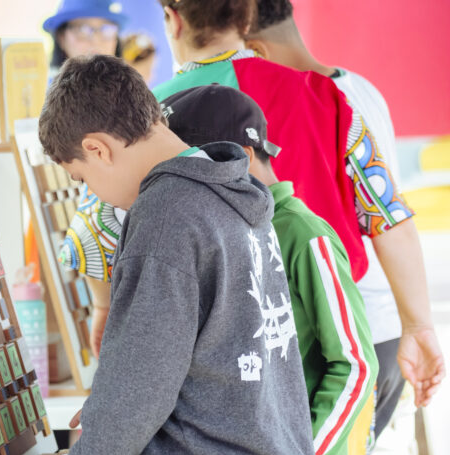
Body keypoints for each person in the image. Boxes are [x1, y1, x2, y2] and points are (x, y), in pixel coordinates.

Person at [61, 0, 444, 412]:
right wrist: (417, 324)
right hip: (339, 338)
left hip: (224, 366)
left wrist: (104, 308)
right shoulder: (325, 96)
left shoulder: (150, 115)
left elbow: (95, 231)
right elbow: (387, 215)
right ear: (247, 17)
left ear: (172, 20)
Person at [40, 54, 317, 455]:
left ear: (97, 149)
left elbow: (141, 382)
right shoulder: (233, 192)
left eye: (83, 179)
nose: (93, 193)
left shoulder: (167, 214)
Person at [164, 84, 378, 455]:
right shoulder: (224, 229)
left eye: (196, 164)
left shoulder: (302, 231)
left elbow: (355, 366)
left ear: (241, 153)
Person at [244, 0, 445, 439]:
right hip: (384, 327)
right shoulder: (360, 89)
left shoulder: (307, 102)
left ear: (253, 51)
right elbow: (390, 216)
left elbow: (385, 219)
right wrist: (417, 322)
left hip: (346, 338)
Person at [43, 0, 127, 75]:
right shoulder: (41, 90)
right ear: (61, 38)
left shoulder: (130, 87)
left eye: (107, 30)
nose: (96, 40)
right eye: (83, 30)